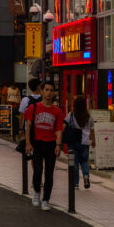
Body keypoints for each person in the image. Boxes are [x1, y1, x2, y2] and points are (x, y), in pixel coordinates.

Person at [22, 80, 64, 210]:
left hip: (51, 143)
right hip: (37, 143)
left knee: (49, 173)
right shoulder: (33, 108)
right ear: (42, 91)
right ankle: (37, 193)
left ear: (54, 93)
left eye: (51, 90)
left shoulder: (57, 111)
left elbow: (58, 129)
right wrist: (28, 143)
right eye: (46, 90)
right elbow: (28, 126)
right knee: (38, 169)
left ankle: (46, 199)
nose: (49, 93)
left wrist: (58, 145)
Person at [64, 95, 95, 189]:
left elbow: (64, 124)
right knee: (85, 161)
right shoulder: (89, 116)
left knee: (75, 163)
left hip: (73, 142)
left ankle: (76, 183)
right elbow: (92, 131)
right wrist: (93, 141)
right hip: (85, 142)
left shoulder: (71, 115)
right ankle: (86, 176)